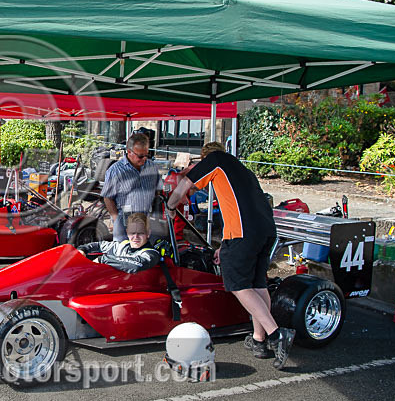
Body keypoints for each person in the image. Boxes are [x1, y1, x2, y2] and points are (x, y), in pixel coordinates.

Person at [166, 142, 295, 369]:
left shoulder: (215, 161)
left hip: (243, 234)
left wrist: (170, 205)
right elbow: (236, 207)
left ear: (206, 157)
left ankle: (276, 335)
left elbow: (185, 182)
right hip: (265, 231)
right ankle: (259, 339)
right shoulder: (242, 170)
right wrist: (224, 246)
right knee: (257, 284)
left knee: (238, 284)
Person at [101, 133, 160, 241]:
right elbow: (107, 198)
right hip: (124, 224)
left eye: (147, 155)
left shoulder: (152, 167)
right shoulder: (115, 171)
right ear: (129, 152)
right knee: (123, 255)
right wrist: (116, 221)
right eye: (140, 156)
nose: (144, 159)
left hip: (145, 223)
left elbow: (157, 192)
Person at [77, 213, 160, 273]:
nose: (136, 236)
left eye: (141, 233)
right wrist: (83, 249)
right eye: (132, 232)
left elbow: (136, 265)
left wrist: (103, 259)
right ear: (127, 232)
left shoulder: (151, 254)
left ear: (148, 233)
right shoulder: (123, 245)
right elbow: (98, 245)